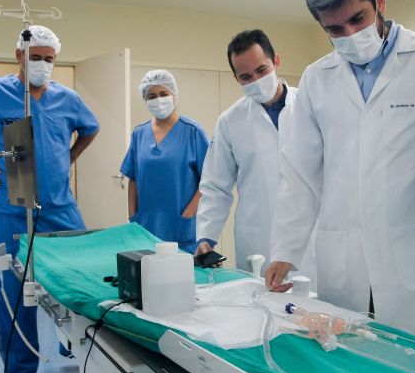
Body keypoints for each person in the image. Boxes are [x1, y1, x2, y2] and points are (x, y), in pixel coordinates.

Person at [265, 0, 415, 337]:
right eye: (334, 29)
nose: (349, 34)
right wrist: (286, 251)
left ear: (379, 0)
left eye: (357, 19)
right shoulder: (316, 79)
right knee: (350, 355)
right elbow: (300, 175)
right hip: (345, 260)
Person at [0, 25, 99, 373]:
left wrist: (69, 158)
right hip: (8, 209)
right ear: (19, 56)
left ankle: (73, 347)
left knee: (80, 281)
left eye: (48, 59)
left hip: (60, 207)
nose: (42, 64)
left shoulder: (68, 99)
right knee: (12, 295)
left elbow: (90, 129)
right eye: (35, 56)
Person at [196, 30, 308, 273]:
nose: (256, 80)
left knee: (313, 294)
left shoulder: (309, 105)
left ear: (276, 61)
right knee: (260, 293)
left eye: (262, 70)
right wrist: (206, 237)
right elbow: (215, 186)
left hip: (310, 232)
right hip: (259, 235)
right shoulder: (230, 121)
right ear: (236, 78)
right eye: (246, 77)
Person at [121, 70, 209, 253]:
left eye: (163, 94)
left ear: (174, 95)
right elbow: (133, 178)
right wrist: (132, 216)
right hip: (145, 227)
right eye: (152, 96)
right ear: (145, 99)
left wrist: (189, 213)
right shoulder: (139, 133)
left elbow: (208, 180)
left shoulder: (193, 131)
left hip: (181, 228)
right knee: (146, 268)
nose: (158, 100)